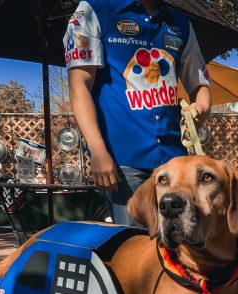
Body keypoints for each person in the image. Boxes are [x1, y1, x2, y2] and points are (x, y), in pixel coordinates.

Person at [65, 0, 211, 225]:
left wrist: (200, 107)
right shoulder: (95, 10)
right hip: (122, 160)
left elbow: (200, 84)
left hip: (175, 159)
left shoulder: (181, 23)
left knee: (181, 240)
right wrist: (97, 151)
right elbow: (79, 86)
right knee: (137, 245)